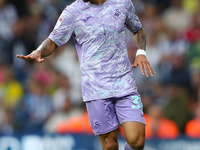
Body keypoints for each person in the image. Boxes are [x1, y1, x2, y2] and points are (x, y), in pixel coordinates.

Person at [17, 0, 156, 149]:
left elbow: (137, 29)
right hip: (95, 89)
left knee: (137, 140)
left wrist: (141, 52)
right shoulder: (72, 11)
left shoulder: (122, 3)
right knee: (110, 145)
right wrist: (38, 51)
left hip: (124, 83)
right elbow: (52, 42)